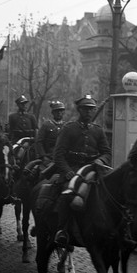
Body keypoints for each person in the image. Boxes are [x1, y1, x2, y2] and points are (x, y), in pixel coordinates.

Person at [52, 95, 112, 247]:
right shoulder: (69, 128)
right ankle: (62, 230)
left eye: (91, 109)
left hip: (92, 170)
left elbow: (107, 152)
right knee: (68, 192)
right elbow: (58, 155)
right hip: (72, 169)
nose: (89, 112)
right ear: (79, 110)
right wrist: (67, 171)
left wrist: (101, 160)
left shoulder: (98, 131)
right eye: (85, 109)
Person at [35, 101, 66, 165]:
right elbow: (39, 142)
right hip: (49, 157)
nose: (59, 113)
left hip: (64, 158)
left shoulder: (66, 126)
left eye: (61, 111)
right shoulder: (46, 125)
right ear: (53, 113)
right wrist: (43, 156)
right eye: (56, 111)